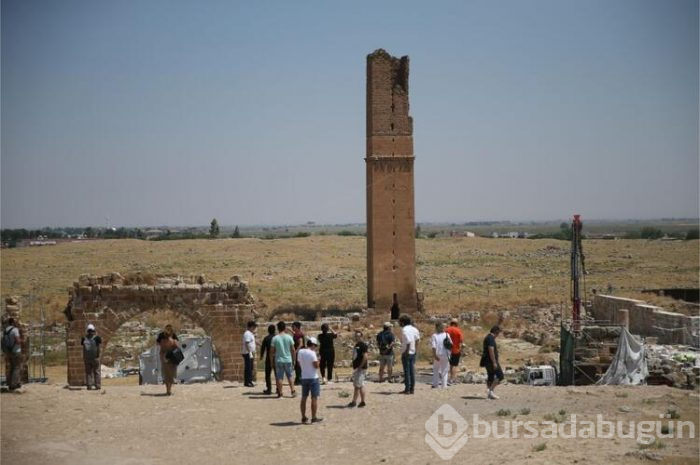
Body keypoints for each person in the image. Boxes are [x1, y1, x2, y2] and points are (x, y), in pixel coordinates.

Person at [297, 337, 323, 424]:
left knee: (304, 398)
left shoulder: (300, 351)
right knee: (314, 398)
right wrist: (319, 359)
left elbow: (299, 363)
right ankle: (314, 417)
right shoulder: (313, 353)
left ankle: (303, 417)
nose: (316, 347)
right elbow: (316, 366)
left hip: (304, 377)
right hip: (313, 377)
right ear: (313, 345)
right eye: (315, 346)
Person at [270, 321, 296, 398]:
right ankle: (293, 391)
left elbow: (271, 351)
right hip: (288, 359)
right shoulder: (289, 337)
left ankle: (280, 392)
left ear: (278, 329)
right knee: (290, 376)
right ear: (285, 328)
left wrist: (271, 361)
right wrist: (294, 360)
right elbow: (293, 350)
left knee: (279, 377)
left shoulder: (275, 338)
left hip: (278, 360)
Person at [399, 314, 420, 394]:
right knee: (412, 371)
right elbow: (417, 340)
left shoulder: (404, 330)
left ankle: (407, 389)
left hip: (407, 352)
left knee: (407, 371)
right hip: (413, 352)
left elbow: (408, 342)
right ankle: (412, 389)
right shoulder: (414, 329)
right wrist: (415, 350)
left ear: (403, 322)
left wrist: (406, 352)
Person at [481, 325, 504, 400]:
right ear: (496, 331)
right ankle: (491, 391)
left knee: (490, 376)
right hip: (491, 361)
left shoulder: (488, 337)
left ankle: (490, 393)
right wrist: (494, 362)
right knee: (500, 376)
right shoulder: (490, 338)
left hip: (487, 361)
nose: (499, 335)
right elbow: (491, 350)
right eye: (499, 332)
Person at [157, 325, 180, 396]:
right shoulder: (172, 339)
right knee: (171, 374)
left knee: (166, 374)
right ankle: (169, 390)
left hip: (163, 356)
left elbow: (157, 344)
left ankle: (168, 390)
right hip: (171, 357)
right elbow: (177, 346)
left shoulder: (161, 338)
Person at [348, 331, 368, 408]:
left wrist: (360, 366)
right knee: (361, 385)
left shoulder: (363, 345)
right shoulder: (357, 345)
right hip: (357, 368)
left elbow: (365, 357)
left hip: (361, 368)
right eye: (356, 336)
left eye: (358, 336)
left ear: (361, 336)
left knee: (357, 386)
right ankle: (362, 401)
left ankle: (354, 402)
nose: (357, 337)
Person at [2, 318, 23, 391]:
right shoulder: (15, 330)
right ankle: (15, 384)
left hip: (9, 352)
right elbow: (17, 341)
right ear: (13, 323)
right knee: (17, 367)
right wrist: (21, 341)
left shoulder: (5, 330)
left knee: (11, 367)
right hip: (16, 350)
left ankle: (9, 383)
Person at [81, 323, 102, 390]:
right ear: (94, 330)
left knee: (88, 372)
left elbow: (82, 345)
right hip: (95, 358)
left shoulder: (83, 339)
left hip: (87, 358)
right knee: (96, 372)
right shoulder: (97, 338)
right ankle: (97, 385)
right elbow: (99, 346)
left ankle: (89, 385)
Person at [430, 322, 450, 389]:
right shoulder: (447, 335)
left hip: (438, 354)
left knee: (436, 369)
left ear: (436, 327)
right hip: (446, 354)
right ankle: (444, 385)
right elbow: (450, 345)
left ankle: (435, 384)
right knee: (445, 370)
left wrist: (434, 355)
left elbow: (433, 346)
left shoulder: (434, 335)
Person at [445, 318, 464, 385]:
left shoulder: (447, 330)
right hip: (456, 350)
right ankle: (452, 379)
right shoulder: (458, 330)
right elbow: (461, 341)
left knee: (450, 365)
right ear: (456, 324)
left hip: (447, 350)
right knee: (455, 365)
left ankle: (449, 378)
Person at [259, 324, 277, 395]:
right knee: (277, 374)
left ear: (268, 330)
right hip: (276, 357)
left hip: (268, 358)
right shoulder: (276, 338)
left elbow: (263, 348)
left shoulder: (266, 338)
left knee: (267, 374)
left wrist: (261, 356)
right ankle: (278, 389)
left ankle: (269, 389)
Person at [241, 320, 257, 387]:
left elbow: (252, 342)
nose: (254, 329)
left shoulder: (250, 333)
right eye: (254, 327)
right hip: (247, 353)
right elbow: (247, 343)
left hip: (249, 352)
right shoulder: (247, 333)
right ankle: (248, 382)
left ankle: (248, 381)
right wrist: (250, 352)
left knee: (249, 367)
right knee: (249, 368)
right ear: (251, 327)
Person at [291, 321, 305, 386]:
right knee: (297, 366)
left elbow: (301, 344)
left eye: (293, 327)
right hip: (299, 352)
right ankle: (298, 380)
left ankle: (299, 380)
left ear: (296, 327)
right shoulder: (297, 333)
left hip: (299, 352)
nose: (292, 328)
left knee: (298, 366)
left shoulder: (299, 334)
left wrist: (296, 351)